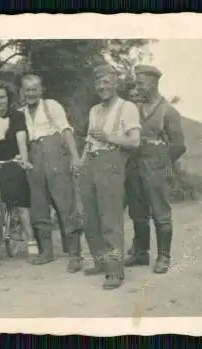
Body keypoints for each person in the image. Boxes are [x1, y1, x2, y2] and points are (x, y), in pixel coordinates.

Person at [80, 64, 141, 289]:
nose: (102, 87)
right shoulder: (94, 110)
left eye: (106, 82)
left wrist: (108, 136)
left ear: (116, 82)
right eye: (98, 82)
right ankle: (100, 261)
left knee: (110, 220)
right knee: (90, 218)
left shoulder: (127, 107)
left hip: (111, 162)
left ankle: (115, 272)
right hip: (90, 162)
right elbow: (89, 140)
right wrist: (81, 161)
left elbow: (135, 142)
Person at [124, 65, 186, 274]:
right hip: (134, 165)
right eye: (136, 83)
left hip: (156, 167)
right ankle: (141, 253)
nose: (137, 87)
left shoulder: (169, 112)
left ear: (153, 83)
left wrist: (161, 162)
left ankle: (164, 257)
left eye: (141, 83)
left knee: (160, 213)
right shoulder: (133, 108)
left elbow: (179, 145)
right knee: (138, 212)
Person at [18, 74, 84, 272]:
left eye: (34, 89)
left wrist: (74, 157)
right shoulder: (20, 113)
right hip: (34, 157)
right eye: (27, 89)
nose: (31, 93)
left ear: (41, 90)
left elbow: (65, 130)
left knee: (65, 203)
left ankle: (75, 254)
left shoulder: (51, 105)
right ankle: (46, 252)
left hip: (55, 154)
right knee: (38, 205)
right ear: (23, 91)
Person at [0, 80, 39, 257]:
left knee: (21, 204)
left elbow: (21, 138)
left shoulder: (17, 115)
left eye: (2, 97)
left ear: (8, 98)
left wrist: (25, 160)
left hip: (14, 159)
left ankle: (30, 239)